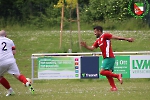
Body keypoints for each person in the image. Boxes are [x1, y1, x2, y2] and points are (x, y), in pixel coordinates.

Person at [80, 26, 134, 91]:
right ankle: (114, 87)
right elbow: (92, 48)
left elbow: (117, 38)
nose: (94, 33)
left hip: (109, 57)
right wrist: (86, 46)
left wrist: (127, 39)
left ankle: (117, 75)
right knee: (108, 74)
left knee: (102, 72)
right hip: (107, 58)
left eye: (95, 32)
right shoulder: (98, 40)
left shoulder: (105, 35)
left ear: (99, 31)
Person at [0, 30, 35, 96]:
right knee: (17, 75)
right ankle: (27, 83)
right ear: (6, 35)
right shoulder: (10, 41)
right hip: (11, 60)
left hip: (1, 61)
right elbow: (14, 52)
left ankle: (10, 91)